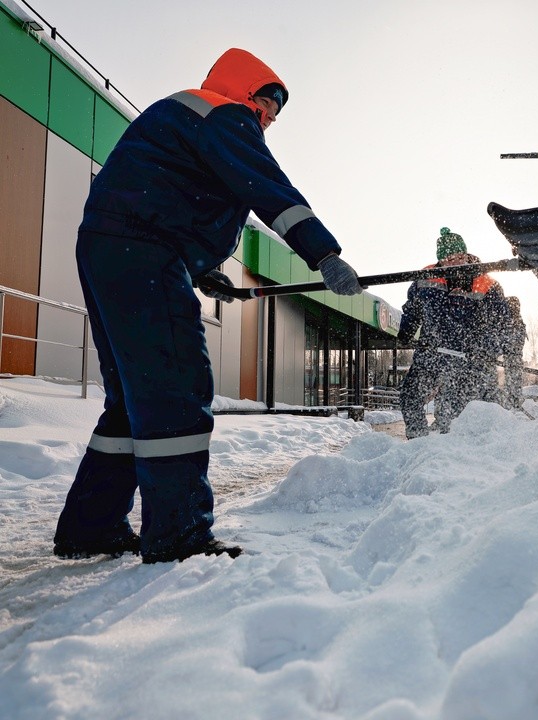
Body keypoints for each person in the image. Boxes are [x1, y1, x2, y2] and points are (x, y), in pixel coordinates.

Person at [53, 48, 362, 564]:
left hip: (113, 248)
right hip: (143, 250)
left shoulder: (185, 115)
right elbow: (268, 187)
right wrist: (323, 254)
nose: (268, 120)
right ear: (246, 93)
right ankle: (179, 535)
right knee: (177, 387)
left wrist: (198, 270)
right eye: (267, 106)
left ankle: (92, 527)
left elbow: (165, 197)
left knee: (133, 398)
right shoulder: (224, 114)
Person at [397, 228, 505, 439]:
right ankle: (417, 441)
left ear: (466, 255)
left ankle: (446, 445)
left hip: (466, 359)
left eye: (460, 257)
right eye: (449, 259)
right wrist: (406, 332)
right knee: (410, 396)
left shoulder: (487, 284)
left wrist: (486, 349)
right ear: (440, 261)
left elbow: (500, 323)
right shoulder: (425, 278)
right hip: (430, 352)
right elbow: (412, 310)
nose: (456, 263)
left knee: (451, 410)